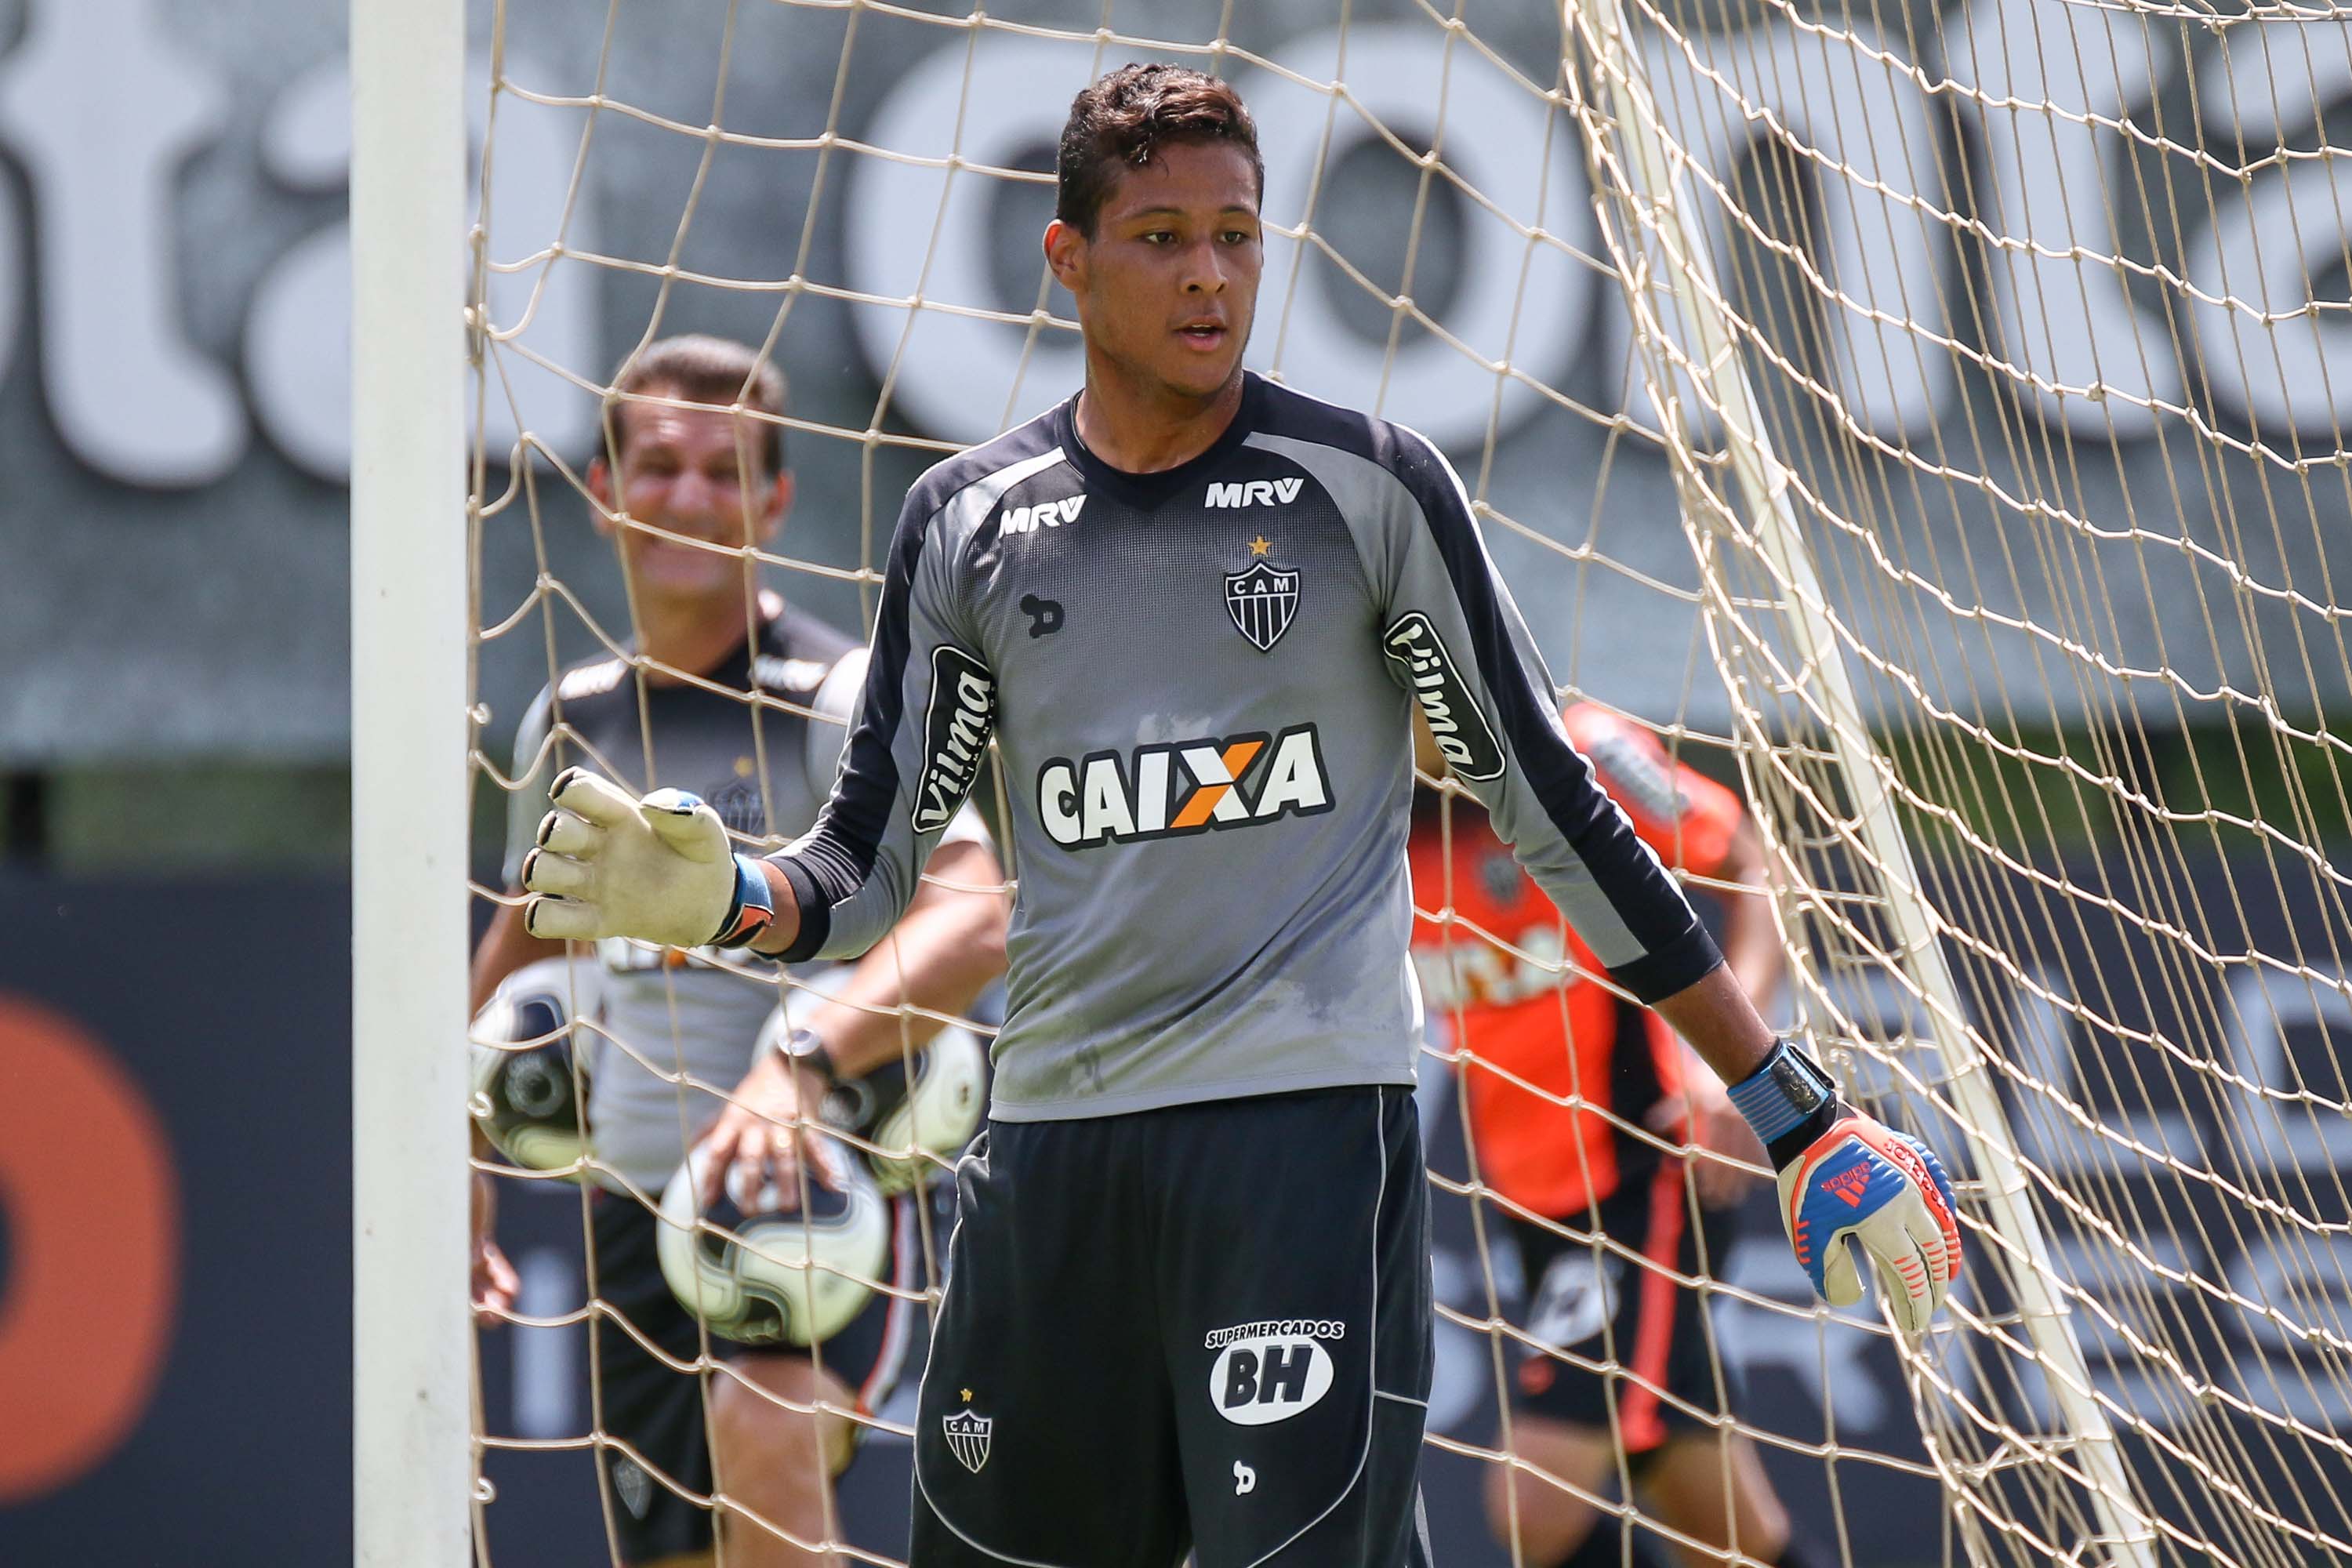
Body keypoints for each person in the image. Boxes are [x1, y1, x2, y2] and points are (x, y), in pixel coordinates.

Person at [514, 66, 1961, 1567]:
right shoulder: (968, 520)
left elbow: (1559, 813)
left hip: (1300, 1147)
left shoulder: (1371, 488)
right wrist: (729, 899)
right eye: (1160, 238)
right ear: (1068, 260)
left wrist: (1792, 1109)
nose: (1208, 272)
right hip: (1057, 1152)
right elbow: (866, 873)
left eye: (1237, 234)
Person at [470, 334, 1010, 1568]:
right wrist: (460, 1153)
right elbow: (521, 935)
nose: (690, 498)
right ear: (603, 490)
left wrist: (796, 1068)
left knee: (763, 1434)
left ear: (774, 501)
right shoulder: (572, 720)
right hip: (632, 1210)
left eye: (725, 473)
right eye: (660, 467)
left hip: (815, 1185)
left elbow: (977, 916)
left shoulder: (839, 696)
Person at [1411, 702, 1829, 1568]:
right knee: (1725, 1533)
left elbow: (1752, 865)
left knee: (1533, 1507)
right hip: (1532, 1202)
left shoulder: (1578, 750)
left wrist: (1733, 1068)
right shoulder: (1361, 808)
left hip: (1645, 1175)